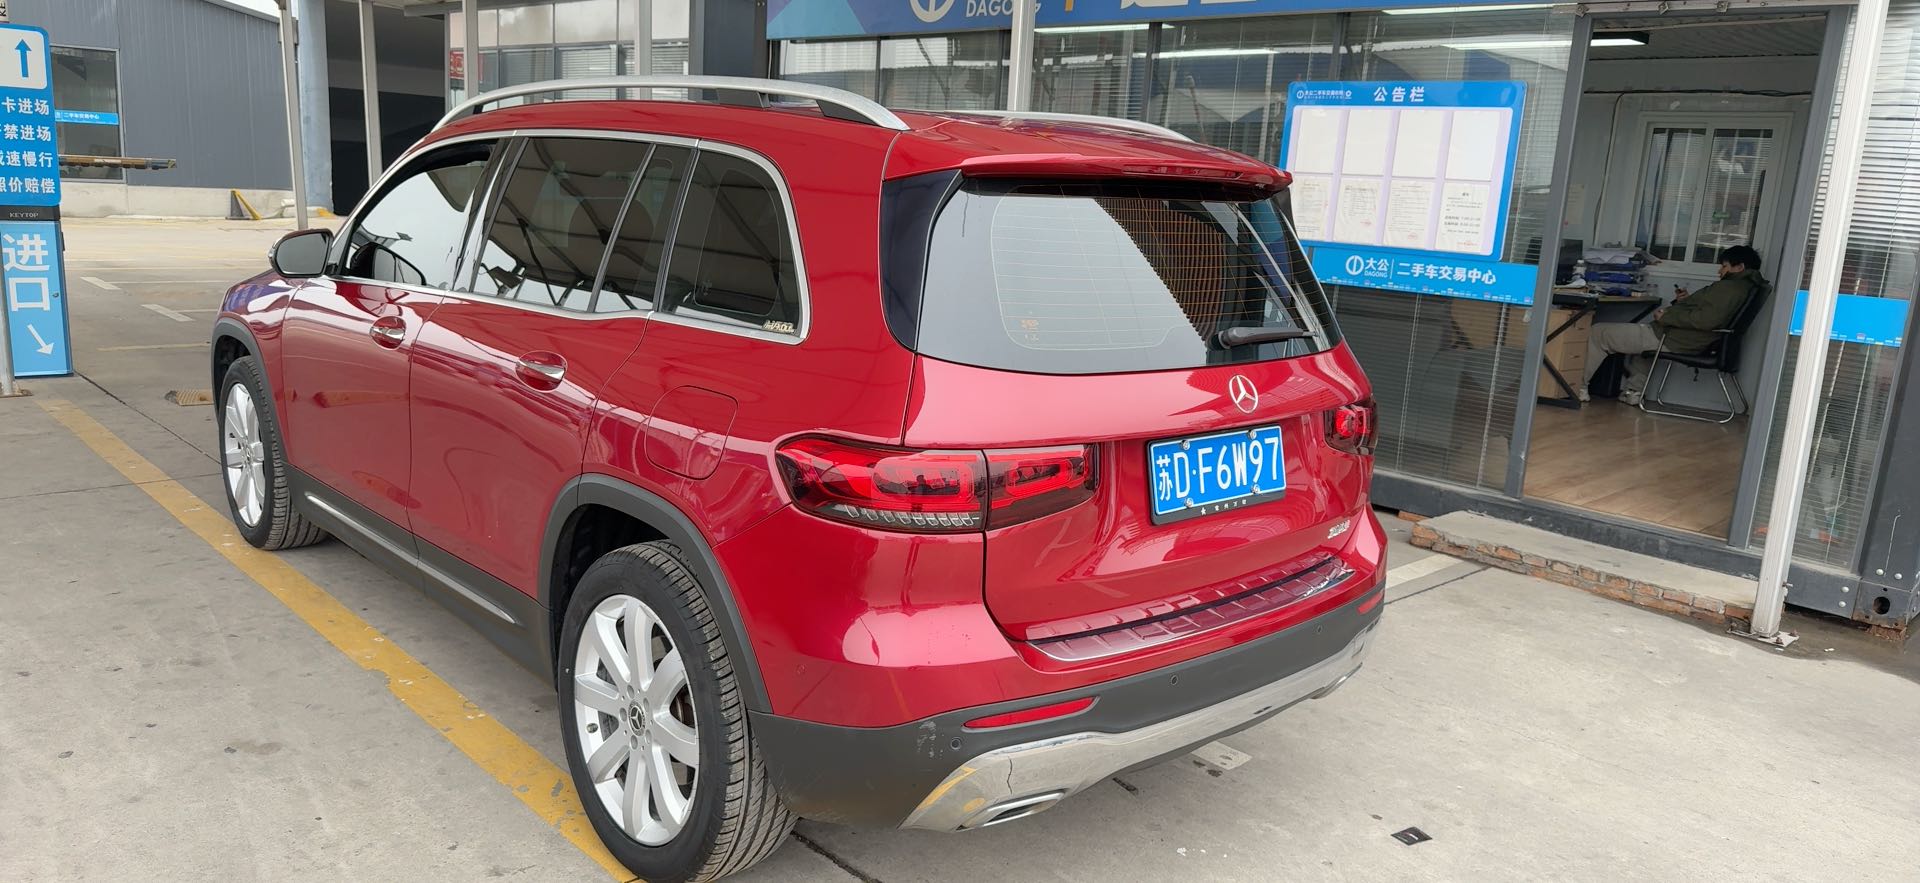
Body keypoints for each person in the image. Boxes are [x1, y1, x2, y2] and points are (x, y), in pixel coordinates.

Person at [1579, 245, 1766, 405]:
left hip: (1672, 338)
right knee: (1639, 346)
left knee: (1598, 332)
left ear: (1739, 267)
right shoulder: (1744, 288)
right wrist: (1683, 302)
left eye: (1724, 266)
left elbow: (1706, 320)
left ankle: (1577, 387)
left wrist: (1666, 317)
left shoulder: (1728, 288)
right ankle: (1633, 392)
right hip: (1686, 339)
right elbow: (1707, 313)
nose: (1720, 271)